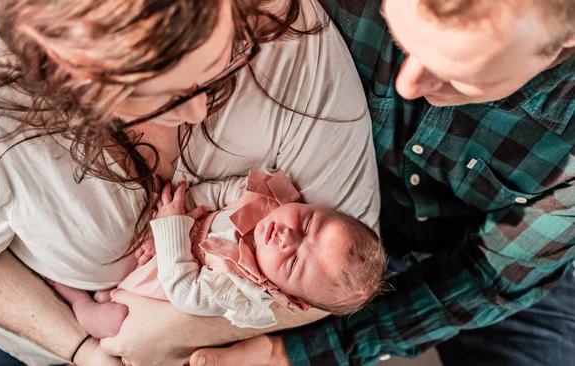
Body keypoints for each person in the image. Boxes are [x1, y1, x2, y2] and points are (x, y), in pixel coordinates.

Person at [0, 0, 379, 365]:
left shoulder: (284, 34)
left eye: (216, 65)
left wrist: (176, 331)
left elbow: (334, 285)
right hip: (36, 307)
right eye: (171, 95)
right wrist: (82, 351)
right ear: (82, 82)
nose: (198, 111)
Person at [190, 0, 575, 365]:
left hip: (482, 261)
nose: (408, 86)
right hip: (317, 229)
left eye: (458, 72)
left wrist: (295, 353)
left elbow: (486, 277)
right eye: (399, 36)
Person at [52, 171, 385, 338]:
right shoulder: (267, 200)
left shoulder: (241, 290)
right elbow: (223, 191)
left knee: (110, 313)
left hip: (154, 278)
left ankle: (79, 301)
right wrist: (179, 210)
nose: (286, 237)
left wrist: (171, 232)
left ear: (290, 299)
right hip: (164, 233)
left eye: (294, 261)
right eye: (308, 224)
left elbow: (184, 291)